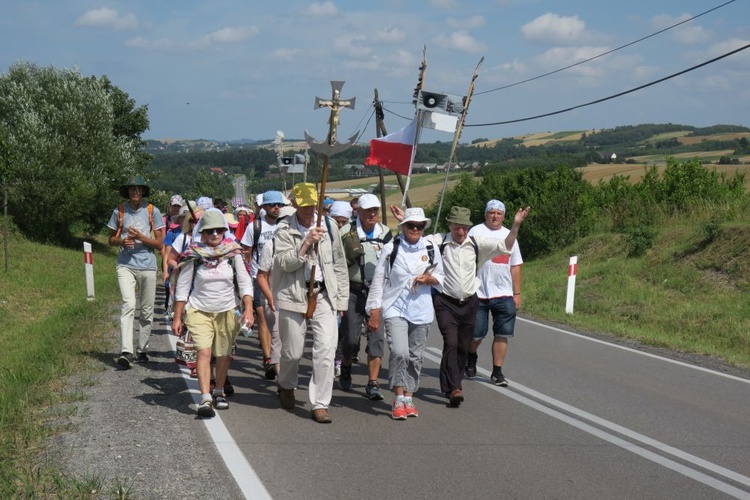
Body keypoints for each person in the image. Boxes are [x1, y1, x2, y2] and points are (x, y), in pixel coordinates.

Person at [391, 205, 530, 406]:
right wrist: (407, 220)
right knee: (451, 342)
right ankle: (454, 388)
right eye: (457, 227)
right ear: (450, 225)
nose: (461, 232)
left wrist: (516, 225)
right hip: (445, 301)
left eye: (464, 227)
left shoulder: (476, 243)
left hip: (470, 302)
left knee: (463, 346)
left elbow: (506, 246)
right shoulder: (438, 241)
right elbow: (414, 238)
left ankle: (450, 383)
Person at [273, 182, 348, 424]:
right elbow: (284, 264)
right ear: (294, 204)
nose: (308, 211)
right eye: (303, 205)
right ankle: (286, 384)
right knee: (292, 353)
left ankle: (320, 403)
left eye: (312, 206)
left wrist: (341, 299)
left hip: (324, 295)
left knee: (326, 351)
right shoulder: (284, 228)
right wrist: (305, 243)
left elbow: (339, 263)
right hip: (293, 296)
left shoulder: (329, 225)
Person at [171, 209, 254, 418]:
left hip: (226, 310)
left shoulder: (233, 253)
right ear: (203, 233)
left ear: (224, 231)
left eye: (219, 230)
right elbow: (183, 286)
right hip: (199, 310)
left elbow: (244, 283)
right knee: (204, 353)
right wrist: (177, 316)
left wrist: (249, 308)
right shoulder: (194, 254)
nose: (215, 234)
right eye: (210, 231)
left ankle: (219, 390)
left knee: (223, 355)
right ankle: (206, 397)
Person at [365, 207, 444, 420]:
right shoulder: (392, 248)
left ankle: (409, 397)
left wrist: (429, 279)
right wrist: (374, 311)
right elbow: (378, 280)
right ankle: (398, 396)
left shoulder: (430, 247)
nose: (415, 229)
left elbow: (441, 278)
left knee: (416, 357)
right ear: (403, 226)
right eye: (411, 225)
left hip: (421, 310)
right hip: (394, 308)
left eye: (419, 226)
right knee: (400, 352)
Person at [338, 193, 393, 400]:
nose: (372, 214)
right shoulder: (345, 232)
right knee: (351, 339)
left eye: (375, 210)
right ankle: (346, 364)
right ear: (358, 211)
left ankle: (373, 383)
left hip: (377, 294)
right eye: (368, 210)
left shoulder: (386, 233)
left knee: (376, 340)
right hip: (353, 291)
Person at [106, 176, 165, 368]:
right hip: (125, 264)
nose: (135, 193)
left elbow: (159, 244)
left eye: (138, 189)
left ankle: (142, 348)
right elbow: (110, 239)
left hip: (147, 265)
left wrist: (140, 237)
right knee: (129, 304)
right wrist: (121, 241)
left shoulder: (152, 211)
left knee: (146, 311)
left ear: (143, 192)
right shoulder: (119, 211)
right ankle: (126, 351)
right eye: (132, 190)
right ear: (128, 192)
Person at [467, 200, 525, 387]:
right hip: (479, 292)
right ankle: (471, 354)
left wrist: (516, 293)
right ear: (485, 214)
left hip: (504, 293)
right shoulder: (475, 232)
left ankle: (497, 372)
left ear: (503, 216)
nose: (495, 216)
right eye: (491, 212)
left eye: (499, 213)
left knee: (503, 333)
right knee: (476, 334)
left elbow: (515, 266)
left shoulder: (510, 235)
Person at [240, 190, 284, 379]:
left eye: (279, 205)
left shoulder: (285, 226)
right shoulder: (254, 227)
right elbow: (246, 252)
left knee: (279, 320)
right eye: (273, 205)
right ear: (264, 207)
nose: (276, 208)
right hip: (260, 277)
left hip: (281, 279)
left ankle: (277, 355)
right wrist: (249, 274)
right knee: (263, 317)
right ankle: (268, 359)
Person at [255, 205, 297, 380]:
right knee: (278, 338)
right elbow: (261, 276)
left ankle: (285, 372)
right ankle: (282, 381)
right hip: (274, 299)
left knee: (293, 343)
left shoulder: (301, 245)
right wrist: (270, 297)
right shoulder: (270, 246)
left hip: (296, 299)